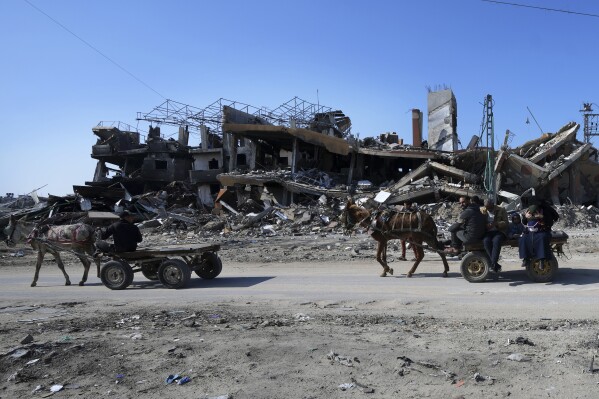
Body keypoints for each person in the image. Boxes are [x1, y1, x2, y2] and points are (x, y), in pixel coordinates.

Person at [481, 199, 509, 273]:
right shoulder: (482, 210)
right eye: (486, 207)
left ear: (493, 205)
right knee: (486, 241)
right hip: (488, 232)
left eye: (489, 207)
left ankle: (493, 264)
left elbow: (506, 223)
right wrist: (485, 225)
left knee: (496, 241)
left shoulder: (501, 209)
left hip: (499, 231)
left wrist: (496, 224)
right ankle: (495, 264)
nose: (487, 209)